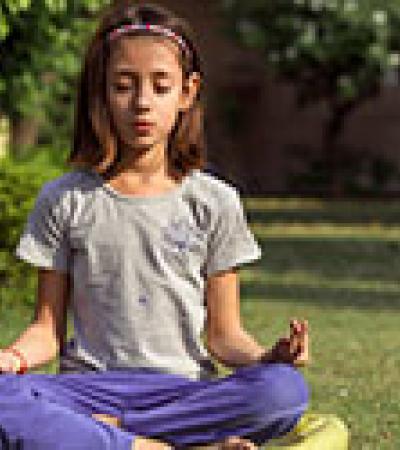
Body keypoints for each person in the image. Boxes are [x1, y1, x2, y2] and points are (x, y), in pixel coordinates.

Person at [0, 2, 310, 449]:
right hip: (87, 391)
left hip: (183, 390)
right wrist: (11, 358)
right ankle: (154, 445)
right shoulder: (64, 199)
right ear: (101, 94)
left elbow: (225, 337)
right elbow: (46, 331)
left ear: (187, 92)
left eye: (160, 86)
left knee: (282, 391)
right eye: (123, 86)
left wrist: (268, 358)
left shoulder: (214, 201)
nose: (142, 102)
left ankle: (112, 437)